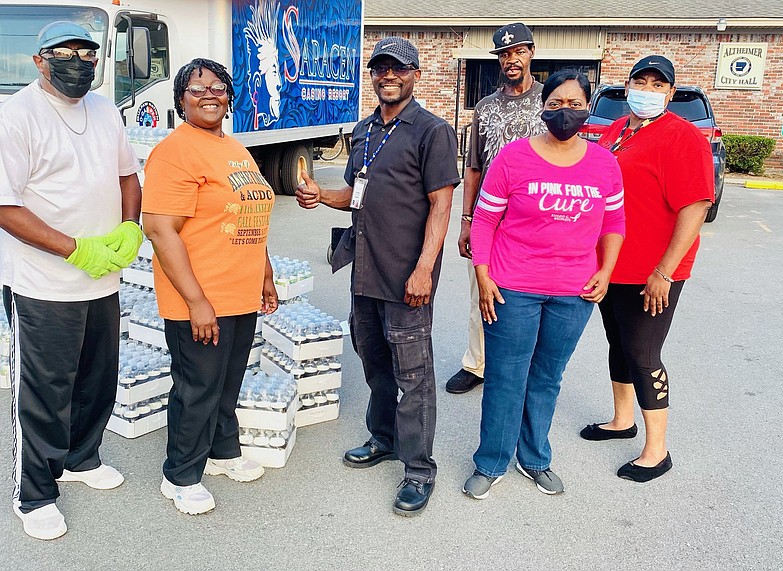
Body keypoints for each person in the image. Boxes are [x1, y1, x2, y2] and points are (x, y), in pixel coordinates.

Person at [296, 37, 460, 516]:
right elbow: (355, 194)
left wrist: (425, 268)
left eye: (398, 69)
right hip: (365, 273)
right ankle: (383, 437)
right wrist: (318, 196)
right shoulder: (365, 130)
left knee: (414, 375)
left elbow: (441, 203)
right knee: (373, 360)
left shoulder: (432, 131)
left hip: (407, 277)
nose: (388, 75)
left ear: (415, 75)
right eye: (380, 68)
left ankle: (418, 470)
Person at [0, 21, 142, 540]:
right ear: (40, 60)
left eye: (88, 52)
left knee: (95, 379)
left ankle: (82, 458)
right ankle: (33, 493)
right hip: (42, 282)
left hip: (102, 279)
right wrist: (74, 249)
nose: (79, 61)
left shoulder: (104, 109)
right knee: (43, 391)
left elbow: (128, 173)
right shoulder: (17, 118)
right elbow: (5, 206)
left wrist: (131, 224)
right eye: (66, 53)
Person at [462, 70, 625, 500]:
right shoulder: (513, 158)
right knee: (505, 376)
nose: (564, 112)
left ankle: (533, 457)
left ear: (587, 107)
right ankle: (492, 460)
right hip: (511, 286)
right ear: (543, 106)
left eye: (574, 103)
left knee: (547, 377)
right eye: (556, 103)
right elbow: (484, 219)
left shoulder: (605, 163)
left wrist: (606, 271)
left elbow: (614, 223)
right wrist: (482, 274)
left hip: (574, 293)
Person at [142, 58, 279, 515]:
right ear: (180, 99)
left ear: (230, 96)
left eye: (219, 87)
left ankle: (222, 453)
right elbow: (161, 230)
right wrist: (197, 301)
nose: (210, 94)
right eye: (197, 88)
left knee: (226, 382)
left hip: (237, 293)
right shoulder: (176, 151)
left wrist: (265, 274)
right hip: (200, 297)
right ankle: (180, 474)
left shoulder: (235, 148)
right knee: (197, 386)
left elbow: (248, 216)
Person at [581, 55, 714, 482]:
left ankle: (658, 450)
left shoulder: (683, 137)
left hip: (653, 271)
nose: (649, 90)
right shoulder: (619, 129)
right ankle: (622, 420)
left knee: (643, 353)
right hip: (613, 263)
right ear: (628, 84)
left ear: (671, 93)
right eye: (642, 81)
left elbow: (696, 205)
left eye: (659, 85)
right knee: (617, 343)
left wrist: (665, 271)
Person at [446, 22, 546, 395]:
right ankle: (477, 364)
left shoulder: (548, 101)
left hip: (537, 218)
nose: (511, 60)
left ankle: (526, 368)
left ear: (531, 52)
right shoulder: (486, 108)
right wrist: (466, 221)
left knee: (531, 295)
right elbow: (472, 167)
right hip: (491, 218)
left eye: (517, 52)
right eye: (504, 54)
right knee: (480, 291)